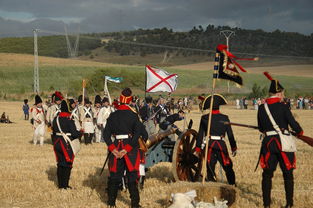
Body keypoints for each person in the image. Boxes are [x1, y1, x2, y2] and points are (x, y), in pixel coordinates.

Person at [257, 72, 303, 208]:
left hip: (268, 144)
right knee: (288, 174)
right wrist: (299, 132)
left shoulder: (261, 108)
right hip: (283, 143)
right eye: (282, 93)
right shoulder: (283, 107)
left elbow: (260, 127)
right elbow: (294, 125)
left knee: (267, 175)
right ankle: (289, 204)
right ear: (278, 94)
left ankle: (266, 205)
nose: (283, 95)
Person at [103, 88, 142, 208]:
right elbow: (137, 134)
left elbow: (106, 135)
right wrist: (127, 149)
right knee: (132, 177)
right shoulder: (134, 115)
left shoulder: (113, 115)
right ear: (130, 101)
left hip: (116, 147)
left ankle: (111, 203)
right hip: (129, 148)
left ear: (120, 100)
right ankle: (134, 204)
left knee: (115, 176)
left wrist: (113, 148)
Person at [195, 94, 237, 185]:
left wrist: (198, 148)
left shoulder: (204, 118)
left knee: (210, 167)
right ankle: (232, 185)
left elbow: (200, 134)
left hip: (209, 144)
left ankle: (211, 184)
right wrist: (234, 147)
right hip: (221, 144)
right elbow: (230, 134)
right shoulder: (224, 118)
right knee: (227, 166)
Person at [52, 99, 80, 189]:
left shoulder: (55, 119)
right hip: (66, 143)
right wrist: (81, 133)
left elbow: (53, 131)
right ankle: (65, 185)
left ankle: (60, 185)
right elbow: (75, 134)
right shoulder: (69, 119)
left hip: (57, 143)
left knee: (60, 164)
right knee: (67, 164)